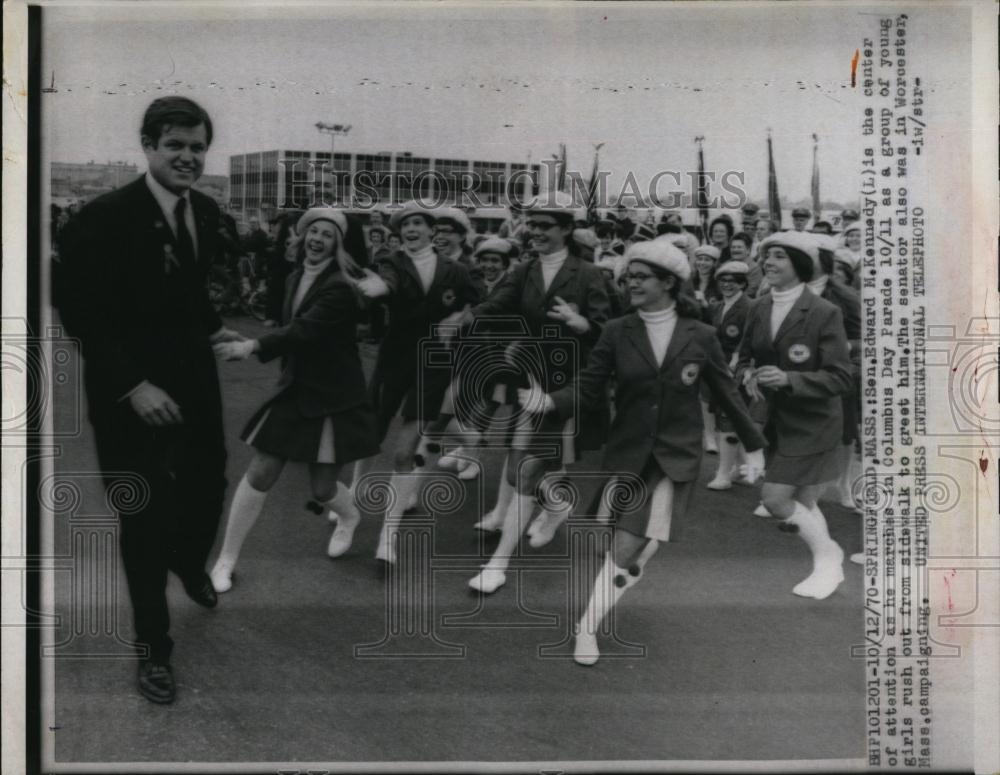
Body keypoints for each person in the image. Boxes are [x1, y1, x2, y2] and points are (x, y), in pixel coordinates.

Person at [55, 97, 241, 704]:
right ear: (148, 146)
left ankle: (189, 562)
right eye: (175, 146)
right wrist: (134, 386)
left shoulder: (208, 213)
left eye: (197, 147)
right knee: (141, 515)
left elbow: (189, 292)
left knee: (208, 484)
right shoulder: (102, 217)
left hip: (193, 379)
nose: (188, 157)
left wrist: (217, 331)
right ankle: (154, 649)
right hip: (127, 389)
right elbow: (81, 314)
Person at [518, 239, 766, 665]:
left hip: (673, 457)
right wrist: (550, 401)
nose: (630, 284)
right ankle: (636, 556)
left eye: (641, 277)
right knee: (608, 545)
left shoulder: (702, 334)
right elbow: (589, 384)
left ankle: (586, 628)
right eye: (628, 277)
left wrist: (756, 450)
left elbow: (726, 394)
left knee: (625, 548)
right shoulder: (618, 331)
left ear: (668, 283)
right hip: (627, 452)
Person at [445, 191, 611, 593]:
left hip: (571, 383)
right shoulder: (524, 270)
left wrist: (582, 324)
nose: (535, 232)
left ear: (567, 229)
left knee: (528, 465)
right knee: (536, 463)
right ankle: (557, 507)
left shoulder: (590, 275)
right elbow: (499, 303)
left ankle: (498, 563)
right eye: (532, 224)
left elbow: (610, 332)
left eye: (545, 225)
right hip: (532, 379)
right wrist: (466, 319)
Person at [209, 208, 376, 590]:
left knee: (321, 489)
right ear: (301, 238)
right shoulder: (296, 275)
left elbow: (306, 330)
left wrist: (253, 345)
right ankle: (225, 560)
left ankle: (349, 518)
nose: (317, 239)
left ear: (338, 245)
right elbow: (290, 329)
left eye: (327, 235)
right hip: (296, 388)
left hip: (335, 395)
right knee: (261, 470)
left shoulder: (340, 286)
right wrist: (248, 339)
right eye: (313, 232)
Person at [350, 201, 480, 563]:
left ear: (430, 230)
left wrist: (460, 317)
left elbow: (477, 304)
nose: (411, 229)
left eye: (418, 223)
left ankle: (387, 538)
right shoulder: (392, 261)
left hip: (434, 363)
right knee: (369, 437)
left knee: (405, 452)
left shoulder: (455, 270)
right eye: (405, 224)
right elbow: (387, 281)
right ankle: (351, 500)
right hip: (394, 359)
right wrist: (376, 288)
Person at [735, 231, 853, 599]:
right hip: (776, 420)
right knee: (802, 501)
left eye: (779, 256)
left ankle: (828, 557)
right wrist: (748, 375)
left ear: (800, 265)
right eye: (766, 255)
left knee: (775, 499)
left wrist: (790, 378)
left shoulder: (824, 312)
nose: (768, 262)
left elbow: (840, 376)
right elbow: (743, 358)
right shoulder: (759, 306)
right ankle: (828, 567)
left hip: (814, 422)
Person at [705, 259, 755, 490]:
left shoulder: (749, 307)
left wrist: (735, 364)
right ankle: (741, 469)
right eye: (723, 280)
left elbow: (748, 340)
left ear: (743, 284)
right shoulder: (716, 306)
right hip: (718, 367)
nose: (727, 285)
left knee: (730, 420)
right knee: (724, 418)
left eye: (733, 281)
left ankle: (723, 474)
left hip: (737, 370)